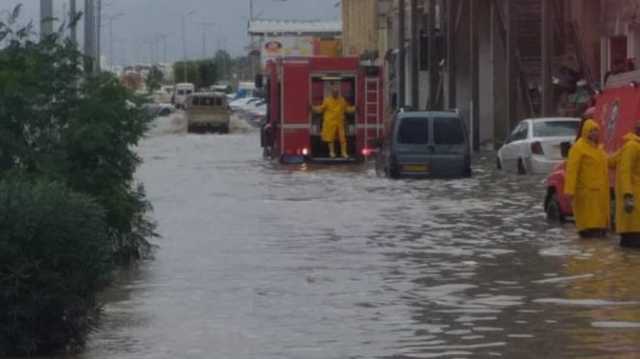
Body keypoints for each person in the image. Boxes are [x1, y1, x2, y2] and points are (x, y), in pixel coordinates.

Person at [564, 119, 610, 238]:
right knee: (589, 229)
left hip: (600, 196)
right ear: (586, 132)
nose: (595, 133)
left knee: (600, 230)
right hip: (586, 195)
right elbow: (571, 170)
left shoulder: (598, 149)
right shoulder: (578, 148)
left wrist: (622, 155)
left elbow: (608, 162)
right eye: (592, 130)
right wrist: (570, 191)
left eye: (596, 130)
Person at [614, 122, 640, 247]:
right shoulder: (632, 146)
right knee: (632, 243)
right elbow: (625, 171)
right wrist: (627, 195)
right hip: (634, 200)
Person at [311, 87, 356, 158]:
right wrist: (313, 108)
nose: (335, 94)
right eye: (334, 93)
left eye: (337, 92)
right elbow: (320, 109)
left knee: (342, 139)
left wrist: (354, 108)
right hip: (330, 122)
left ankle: (344, 153)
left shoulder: (342, 100)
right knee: (330, 139)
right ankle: (332, 153)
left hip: (339, 122)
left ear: (338, 93)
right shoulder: (327, 100)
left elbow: (347, 109)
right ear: (332, 93)